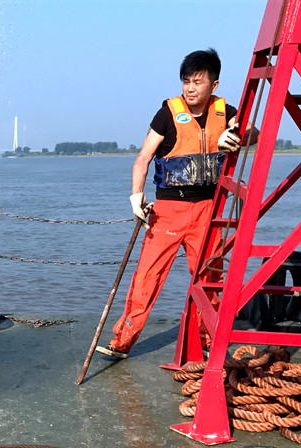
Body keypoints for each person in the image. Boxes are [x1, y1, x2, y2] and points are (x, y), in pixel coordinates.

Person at [96, 48, 256, 360]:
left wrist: (235, 134)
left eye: (198, 81)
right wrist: (136, 196)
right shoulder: (167, 113)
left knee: (210, 278)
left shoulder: (226, 112)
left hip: (209, 211)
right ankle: (122, 342)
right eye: (186, 81)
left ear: (214, 85)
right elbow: (142, 159)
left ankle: (208, 342)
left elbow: (255, 133)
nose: (190, 88)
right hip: (167, 211)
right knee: (146, 277)